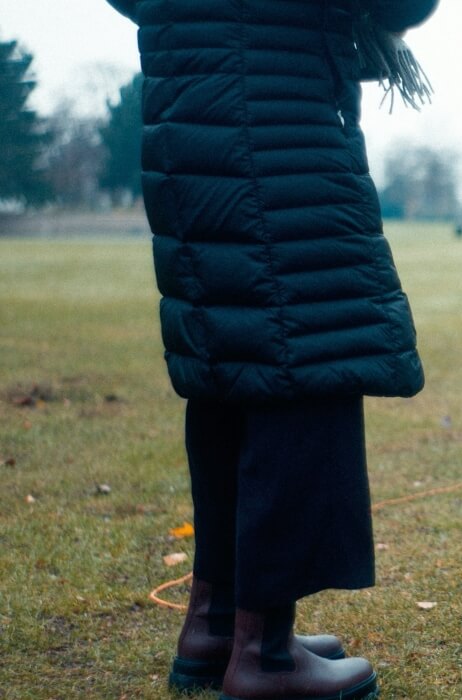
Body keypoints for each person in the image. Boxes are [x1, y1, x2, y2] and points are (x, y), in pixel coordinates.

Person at [105, 2, 437, 698]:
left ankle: (219, 627)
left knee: (237, 360)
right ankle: (267, 657)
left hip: (189, 109)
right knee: (307, 356)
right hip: (272, 114)